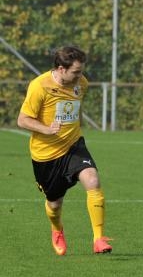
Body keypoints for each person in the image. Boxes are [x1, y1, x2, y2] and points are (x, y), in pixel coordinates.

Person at [17, 46, 112, 255]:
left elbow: (75, 109)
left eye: (81, 71)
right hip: (46, 155)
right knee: (54, 204)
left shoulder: (81, 84)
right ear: (61, 69)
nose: (80, 76)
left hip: (73, 145)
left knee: (92, 179)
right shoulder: (39, 86)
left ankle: (99, 239)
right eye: (76, 72)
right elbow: (22, 120)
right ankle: (57, 228)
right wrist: (47, 129)